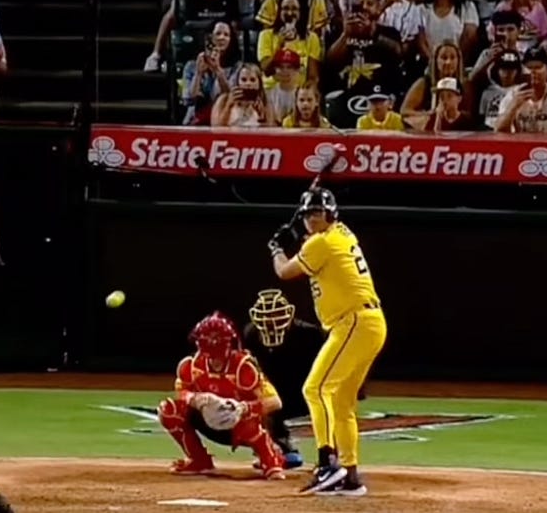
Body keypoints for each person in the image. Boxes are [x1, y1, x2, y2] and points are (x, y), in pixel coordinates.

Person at [267, 187, 386, 497]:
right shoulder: (339, 234)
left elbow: (285, 271)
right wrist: (298, 238)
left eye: (317, 212)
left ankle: (327, 464)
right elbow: (314, 250)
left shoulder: (322, 242)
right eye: (307, 213)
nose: (312, 218)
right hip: (368, 323)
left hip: (354, 322)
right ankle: (350, 476)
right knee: (342, 402)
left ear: (331, 214)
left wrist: (276, 247)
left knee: (315, 388)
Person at [159, 312, 289, 480]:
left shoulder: (243, 367)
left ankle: (270, 460)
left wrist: (243, 408)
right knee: (169, 410)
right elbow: (182, 391)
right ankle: (199, 460)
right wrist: (194, 399)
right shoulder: (191, 366)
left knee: (250, 420)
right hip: (207, 419)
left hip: (241, 425)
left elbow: (275, 402)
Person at [242, 289, 326, 469]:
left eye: (275, 315)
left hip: (307, 392)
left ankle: (329, 456)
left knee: (329, 402)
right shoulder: (251, 334)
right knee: (253, 398)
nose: (270, 321)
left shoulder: (310, 335)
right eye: (266, 316)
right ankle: (276, 447)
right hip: (275, 395)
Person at [494, 46, 547, 133]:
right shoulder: (512, 96)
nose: (533, 71)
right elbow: (499, 130)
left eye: (537, 67)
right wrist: (513, 106)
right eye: (528, 67)